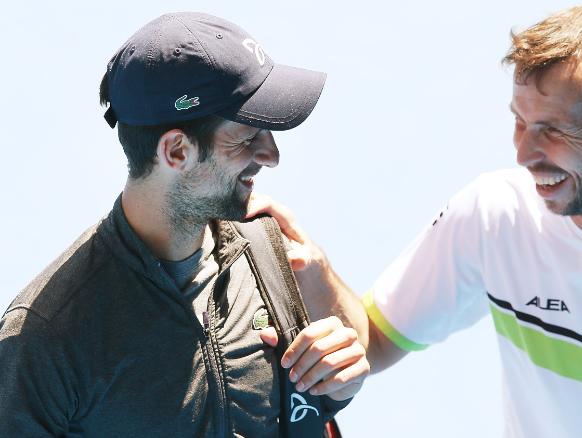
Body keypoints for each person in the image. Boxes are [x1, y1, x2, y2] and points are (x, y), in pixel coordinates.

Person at [261, 6, 582, 437]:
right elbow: (370, 345)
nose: (525, 152)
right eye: (519, 120)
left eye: (553, 130)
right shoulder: (494, 217)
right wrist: (316, 270)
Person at [0, 12, 368, 437]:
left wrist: (339, 381)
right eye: (248, 135)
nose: (271, 155)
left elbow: (312, 397)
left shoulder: (267, 242)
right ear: (177, 151)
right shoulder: (45, 338)